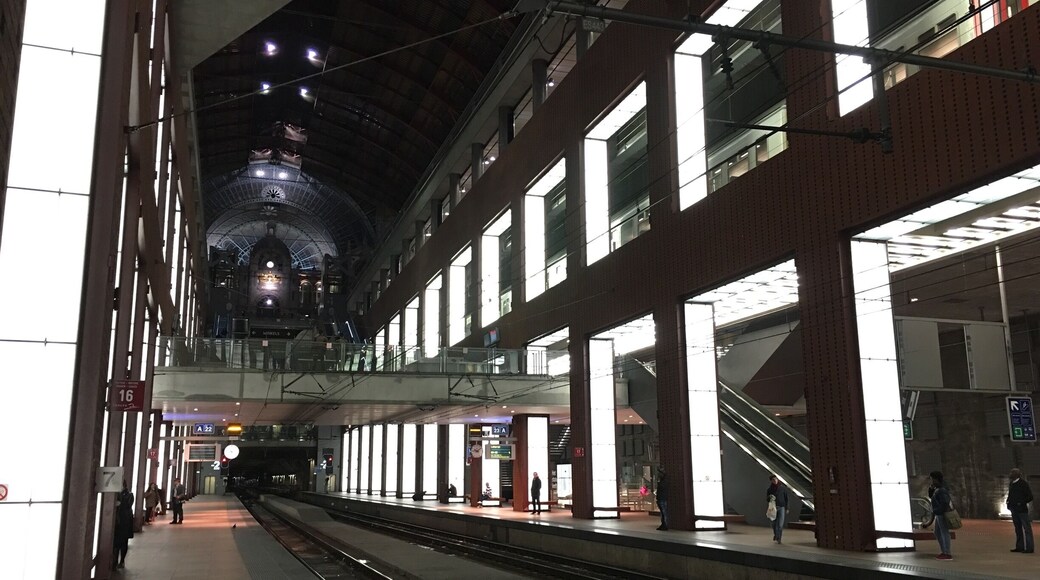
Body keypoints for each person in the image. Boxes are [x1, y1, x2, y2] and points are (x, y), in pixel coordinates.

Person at [1007, 468, 1034, 553]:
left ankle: (1029, 548)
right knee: (1017, 529)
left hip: (1022, 510)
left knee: (1027, 529)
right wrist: (1008, 503)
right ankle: (1020, 546)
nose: (1010, 474)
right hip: (1014, 510)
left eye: (1012, 472)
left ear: (1016, 474)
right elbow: (1010, 495)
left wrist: (1020, 503)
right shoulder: (1012, 484)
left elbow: (1030, 496)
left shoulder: (1023, 484)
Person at [929, 470, 953, 560]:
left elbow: (945, 502)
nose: (930, 481)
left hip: (941, 513)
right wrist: (931, 489)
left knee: (944, 532)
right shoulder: (937, 488)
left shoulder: (942, 489)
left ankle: (947, 553)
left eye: (931, 479)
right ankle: (944, 551)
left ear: (935, 479)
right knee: (938, 532)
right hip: (939, 513)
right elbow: (931, 496)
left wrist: (938, 510)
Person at [113, 483, 134, 569]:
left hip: (125, 521)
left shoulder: (129, 495)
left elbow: (128, 505)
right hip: (117, 522)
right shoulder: (115, 494)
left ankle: (122, 560)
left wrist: (120, 503)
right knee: (116, 543)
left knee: (123, 542)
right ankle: (114, 561)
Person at [767, 475, 788, 544]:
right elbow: (767, 499)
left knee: (780, 524)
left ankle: (779, 538)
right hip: (773, 508)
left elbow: (786, 498)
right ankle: (776, 534)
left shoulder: (782, 488)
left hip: (781, 507)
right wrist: (770, 497)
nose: (775, 480)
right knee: (774, 524)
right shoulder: (769, 489)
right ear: (771, 481)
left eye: (776, 479)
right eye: (773, 480)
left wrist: (787, 508)